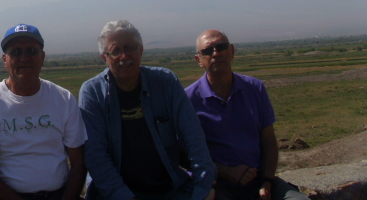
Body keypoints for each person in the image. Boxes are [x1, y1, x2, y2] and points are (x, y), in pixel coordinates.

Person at [79, 20, 216, 200]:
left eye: (130, 48)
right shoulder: (93, 93)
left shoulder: (165, 82)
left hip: (169, 189)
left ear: (141, 50)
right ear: (105, 57)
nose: (124, 56)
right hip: (114, 193)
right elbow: (96, 156)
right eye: (115, 51)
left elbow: (194, 138)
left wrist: (203, 188)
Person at [0, 23, 87, 200]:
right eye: (16, 52)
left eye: (31, 51)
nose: (24, 58)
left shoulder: (63, 99)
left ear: (42, 57)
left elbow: (79, 163)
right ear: (5, 59)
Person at [185, 30, 308, 200]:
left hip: (258, 181)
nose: (216, 53)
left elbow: (268, 140)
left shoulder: (255, 88)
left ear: (232, 51)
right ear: (198, 60)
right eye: (207, 50)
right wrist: (225, 171)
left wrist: (267, 181)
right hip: (215, 184)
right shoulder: (188, 100)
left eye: (221, 47)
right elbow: (183, 154)